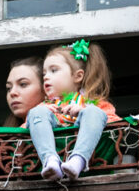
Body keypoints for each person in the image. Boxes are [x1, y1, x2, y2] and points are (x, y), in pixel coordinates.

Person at [26, 39, 120, 181]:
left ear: (78, 76)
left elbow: (116, 122)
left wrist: (84, 110)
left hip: (90, 159)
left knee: (94, 112)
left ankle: (78, 161)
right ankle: (51, 161)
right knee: (35, 113)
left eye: (53, 70)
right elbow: (23, 130)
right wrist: (40, 114)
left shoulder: (94, 103)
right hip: (51, 159)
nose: (46, 76)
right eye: (44, 73)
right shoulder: (43, 107)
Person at [4, 56, 45, 127]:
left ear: (45, 88)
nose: (12, 93)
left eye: (23, 84)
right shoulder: (3, 136)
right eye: (9, 88)